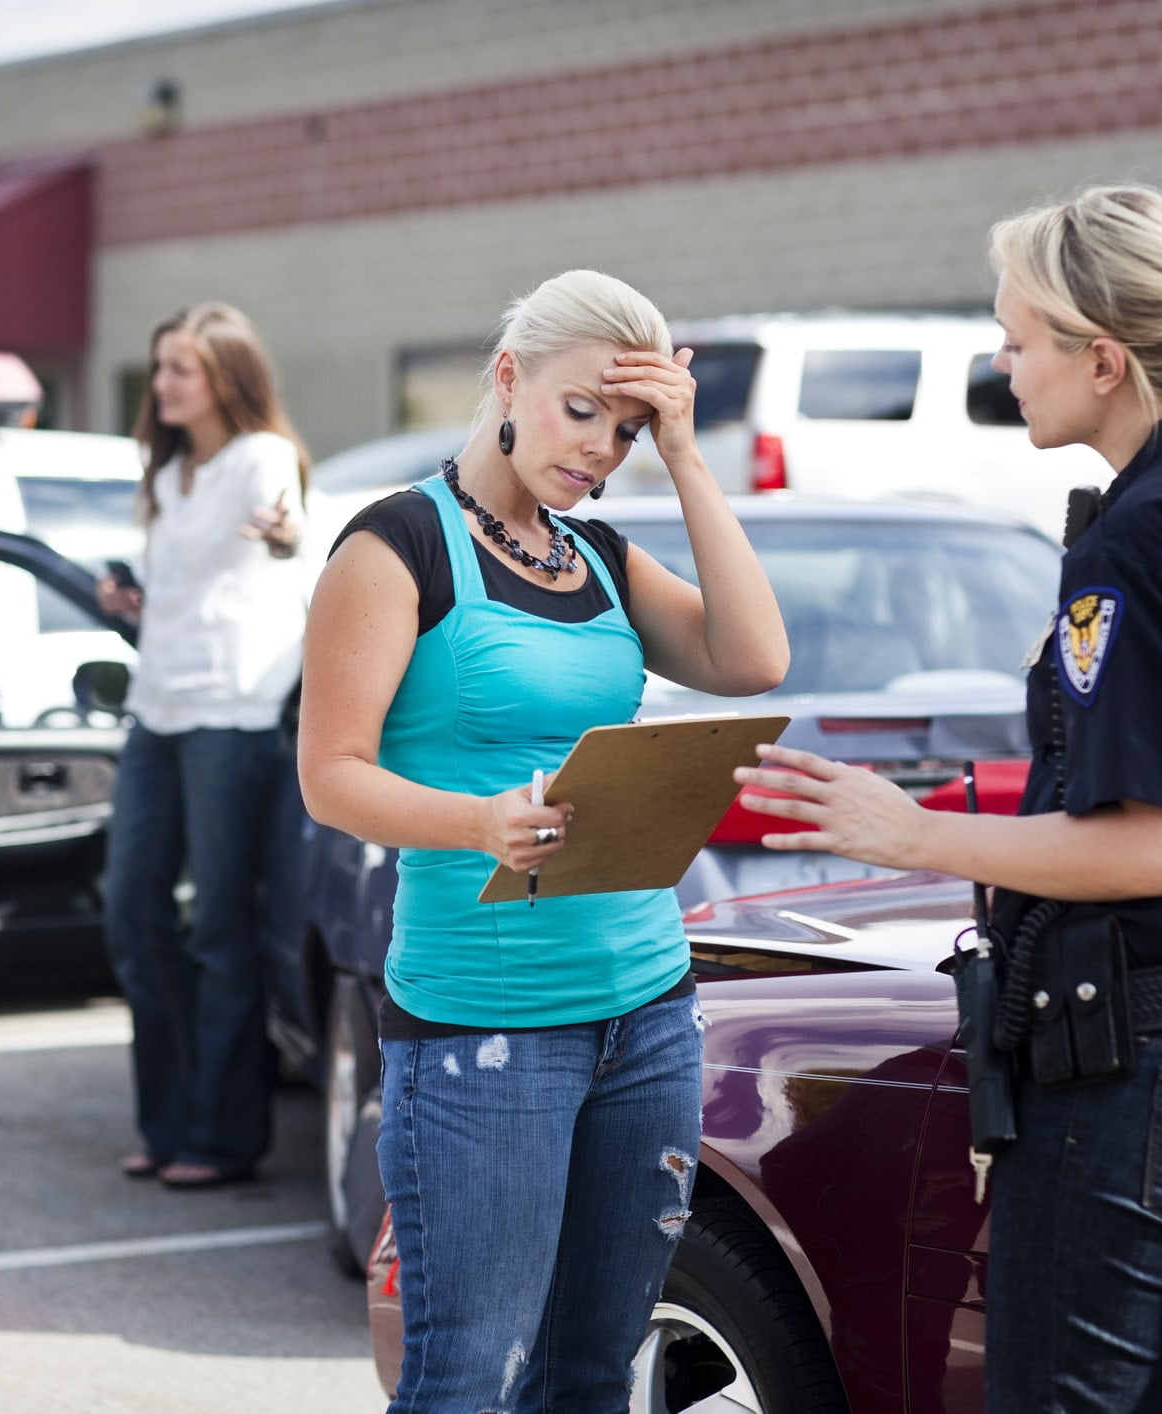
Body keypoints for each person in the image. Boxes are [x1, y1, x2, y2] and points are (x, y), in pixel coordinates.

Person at [735, 186, 1162, 1410]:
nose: (1003, 366)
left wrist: (911, 829)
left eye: (1018, 338)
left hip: (1133, 1072)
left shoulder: (1138, 538)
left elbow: (1159, 845)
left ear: (1104, 357)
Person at [298, 269, 788, 1410]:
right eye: (584, 412)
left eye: (626, 429)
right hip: (486, 1025)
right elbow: (330, 777)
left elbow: (754, 657)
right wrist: (479, 822)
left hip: (647, 1011)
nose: (601, 449)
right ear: (509, 378)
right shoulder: (397, 544)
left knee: (588, 1372)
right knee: (471, 1375)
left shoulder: (599, 557)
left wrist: (689, 454)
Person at [98, 302, 311, 1189]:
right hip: (157, 708)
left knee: (220, 928)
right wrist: (131, 600)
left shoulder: (260, 458)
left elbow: (291, 531)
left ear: (224, 375)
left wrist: (288, 531)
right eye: (159, 368)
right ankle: (168, 1120)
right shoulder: (169, 471)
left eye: (179, 368)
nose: (162, 384)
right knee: (131, 912)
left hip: (232, 714)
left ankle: (221, 1138)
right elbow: (175, 587)